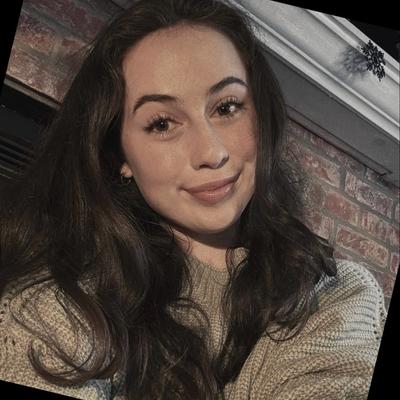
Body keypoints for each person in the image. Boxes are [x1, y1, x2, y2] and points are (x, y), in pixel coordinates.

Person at [0, 0, 387, 399]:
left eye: (227, 107)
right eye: (162, 123)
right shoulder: (66, 295)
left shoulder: (334, 293)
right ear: (119, 156)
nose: (212, 153)